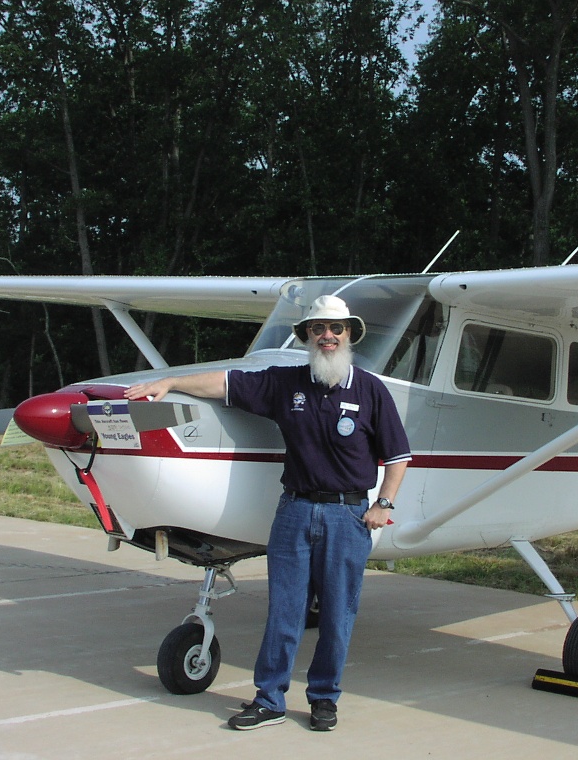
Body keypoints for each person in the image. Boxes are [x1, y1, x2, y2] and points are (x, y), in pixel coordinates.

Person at [125, 295, 411, 732]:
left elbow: (398, 456)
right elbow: (225, 383)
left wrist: (382, 505)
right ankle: (269, 699)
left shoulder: (371, 389)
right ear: (307, 337)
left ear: (350, 334)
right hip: (294, 510)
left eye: (335, 329)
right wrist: (170, 383)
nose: (327, 336)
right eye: (318, 329)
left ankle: (324, 698)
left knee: (338, 614)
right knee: (284, 611)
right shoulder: (287, 383)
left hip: (347, 516)